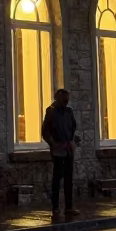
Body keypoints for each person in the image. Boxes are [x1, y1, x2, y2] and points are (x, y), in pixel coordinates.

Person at [42, 88, 80, 218]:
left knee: (69, 179)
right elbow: (45, 131)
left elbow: (73, 127)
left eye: (67, 100)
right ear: (57, 98)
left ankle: (69, 207)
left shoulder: (69, 112)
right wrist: (53, 144)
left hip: (68, 148)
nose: (66, 102)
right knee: (57, 179)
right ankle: (55, 208)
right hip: (58, 149)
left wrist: (73, 140)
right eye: (64, 100)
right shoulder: (51, 112)